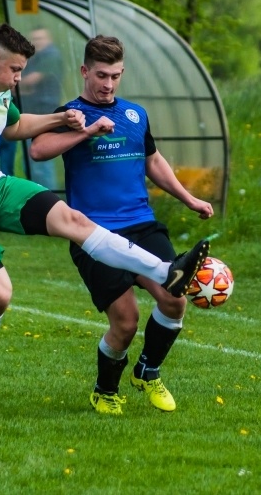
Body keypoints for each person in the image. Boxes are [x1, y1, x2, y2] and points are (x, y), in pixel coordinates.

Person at [0, 24, 210, 411]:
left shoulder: (1, 94)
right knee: (0, 294)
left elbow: (16, 127)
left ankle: (167, 272)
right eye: (15, 70)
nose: (19, 78)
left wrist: (61, 119)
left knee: (73, 221)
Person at [30, 35, 214, 415]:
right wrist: (84, 131)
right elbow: (37, 149)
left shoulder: (135, 115)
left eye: (115, 76)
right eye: (101, 75)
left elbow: (153, 161)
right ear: (85, 71)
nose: (108, 84)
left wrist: (189, 198)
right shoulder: (71, 114)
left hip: (141, 224)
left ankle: (148, 370)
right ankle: (105, 390)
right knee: (127, 322)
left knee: (174, 298)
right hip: (93, 233)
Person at [17, 28, 63, 190]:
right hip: (32, 113)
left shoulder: (51, 56)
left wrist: (20, 86)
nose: (37, 42)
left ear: (49, 39)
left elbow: (29, 81)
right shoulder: (35, 58)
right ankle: (39, 196)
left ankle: (49, 198)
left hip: (44, 114)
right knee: (30, 163)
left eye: (40, 38)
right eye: (34, 39)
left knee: (41, 165)